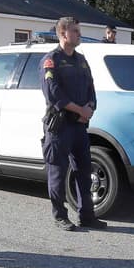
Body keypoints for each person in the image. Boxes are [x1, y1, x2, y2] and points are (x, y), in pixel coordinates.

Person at [41, 17, 105, 231]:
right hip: (60, 125)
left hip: (79, 126)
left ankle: (87, 215)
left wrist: (89, 109)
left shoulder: (81, 60)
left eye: (79, 30)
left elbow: (91, 88)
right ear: (63, 33)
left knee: (84, 171)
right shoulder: (52, 60)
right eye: (75, 31)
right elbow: (53, 94)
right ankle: (60, 215)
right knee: (58, 171)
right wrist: (79, 110)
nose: (78, 34)